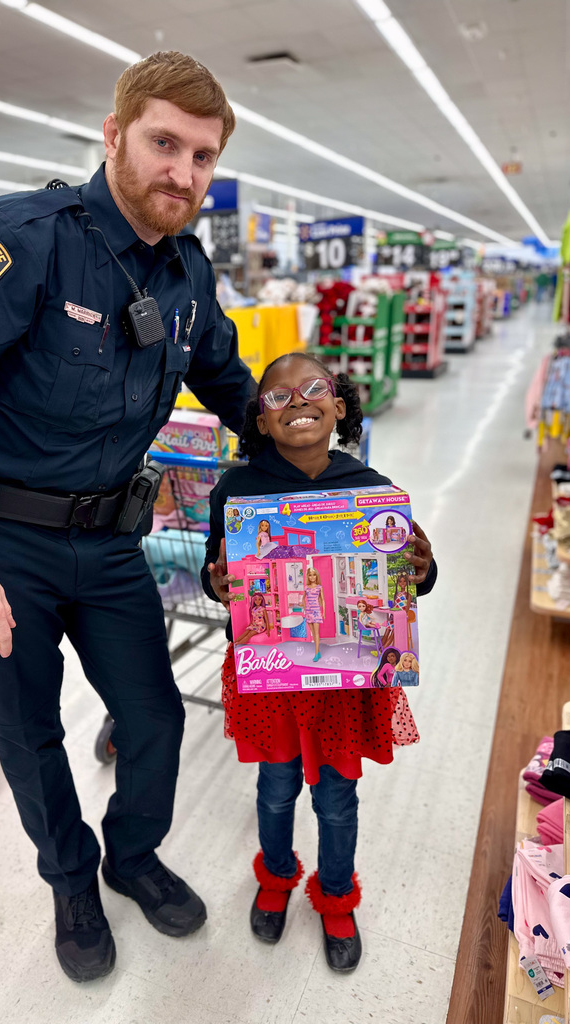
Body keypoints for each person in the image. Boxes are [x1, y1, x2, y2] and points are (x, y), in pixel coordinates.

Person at [0, 51, 255, 983]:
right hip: (1, 549)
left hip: (113, 542)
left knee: (156, 718)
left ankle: (132, 856)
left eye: (203, 156)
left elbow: (224, 379)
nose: (183, 172)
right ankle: (73, 880)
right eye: (165, 143)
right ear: (115, 133)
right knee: (31, 734)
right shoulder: (23, 238)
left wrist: (310, 443)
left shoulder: (186, 272)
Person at [202, 352, 437, 972]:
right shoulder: (237, 491)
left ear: (338, 404)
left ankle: (336, 894)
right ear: (258, 420)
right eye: (277, 398)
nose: (297, 403)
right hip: (271, 678)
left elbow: (410, 580)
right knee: (275, 789)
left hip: (343, 681)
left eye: (313, 390)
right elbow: (216, 575)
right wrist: (219, 582)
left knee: (337, 796)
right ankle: (276, 877)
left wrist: (424, 568)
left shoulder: (372, 489)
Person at [304, 567, 325, 661]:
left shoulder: (319, 587)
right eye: (310, 575)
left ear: (316, 576)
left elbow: (323, 600)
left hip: (316, 611)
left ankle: (316, 653)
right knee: (313, 633)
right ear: (308, 577)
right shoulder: (306, 588)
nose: (312, 577)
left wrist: (323, 612)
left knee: (316, 633)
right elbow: (303, 598)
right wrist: (304, 607)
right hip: (308, 611)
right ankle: (318, 651)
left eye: (314, 575)